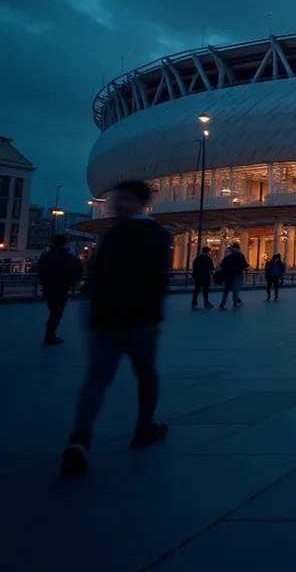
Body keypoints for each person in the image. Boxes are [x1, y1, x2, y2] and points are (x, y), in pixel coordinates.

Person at [61, 180, 171, 476]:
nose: (117, 204)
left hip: (119, 320)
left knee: (100, 379)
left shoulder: (115, 235)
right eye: (115, 198)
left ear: (140, 203)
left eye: (124, 198)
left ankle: (81, 437)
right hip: (131, 320)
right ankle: (135, 427)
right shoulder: (151, 234)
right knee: (142, 373)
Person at [38, 234, 82, 345]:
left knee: (53, 311)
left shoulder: (46, 255)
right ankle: (50, 335)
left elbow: (40, 270)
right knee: (57, 312)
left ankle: (50, 334)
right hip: (61, 287)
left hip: (48, 287)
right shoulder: (68, 257)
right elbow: (76, 271)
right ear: (65, 243)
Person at [218, 243, 249, 310]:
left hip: (228, 275)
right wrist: (246, 268)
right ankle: (235, 303)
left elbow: (222, 265)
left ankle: (223, 303)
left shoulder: (228, 255)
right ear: (238, 248)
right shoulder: (240, 255)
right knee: (235, 289)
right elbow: (244, 265)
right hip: (237, 274)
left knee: (226, 289)